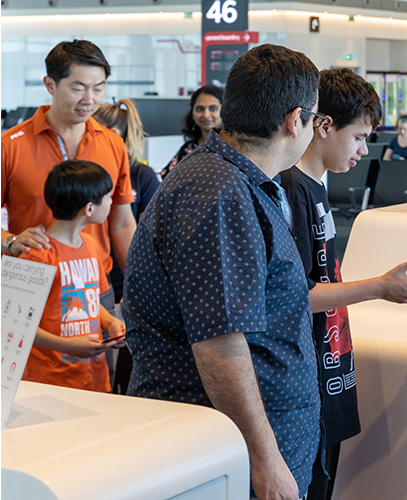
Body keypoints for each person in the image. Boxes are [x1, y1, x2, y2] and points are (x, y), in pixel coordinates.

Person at [124, 44, 322, 500]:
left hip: (246, 446)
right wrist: (264, 457)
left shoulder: (236, 182)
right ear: (296, 120)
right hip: (227, 454)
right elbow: (220, 348)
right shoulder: (219, 194)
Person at [279, 67, 407, 500]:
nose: (365, 150)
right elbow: (298, 295)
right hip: (307, 380)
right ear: (323, 126)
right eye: (360, 137)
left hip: (330, 369)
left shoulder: (315, 186)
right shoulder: (292, 190)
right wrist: (380, 288)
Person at [1, 40, 137, 316]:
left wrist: (140, 281)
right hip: (33, 286)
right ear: (50, 84)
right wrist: (8, 241)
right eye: (78, 87)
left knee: (99, 360)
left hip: (96, 287)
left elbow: (122, 222)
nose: (90, 99)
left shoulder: (112, 144)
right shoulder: (10, 145)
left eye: (98, 88)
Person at [19, 160, 127, 393]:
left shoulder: (89, 244)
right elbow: (19, 325)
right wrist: (67, 345)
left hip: (92, 377)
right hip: (50, 382)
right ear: (89, 209)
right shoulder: (37, 256)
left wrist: (110, 322)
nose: (111, 201)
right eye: (108, 196)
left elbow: (89, 301)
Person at [93, 97, 160, 396]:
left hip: (121, 278)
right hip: (92, 277)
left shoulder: (142, 175)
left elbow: (137, 230)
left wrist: (142, 282)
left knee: (121, 363)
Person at [93, 98, 160, 299]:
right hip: (92, 269)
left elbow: (150, 235)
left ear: (112, 135)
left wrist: (141, 281)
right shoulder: (84, 174)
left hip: (123, 271)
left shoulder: (142, 175)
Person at [160, 85, 224, 178]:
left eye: (213, 109)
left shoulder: (237, 148)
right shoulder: (187, 149)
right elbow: (166, 179)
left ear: (225, 111)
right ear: (193, 113)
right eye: (200, 109)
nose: (206, 115)